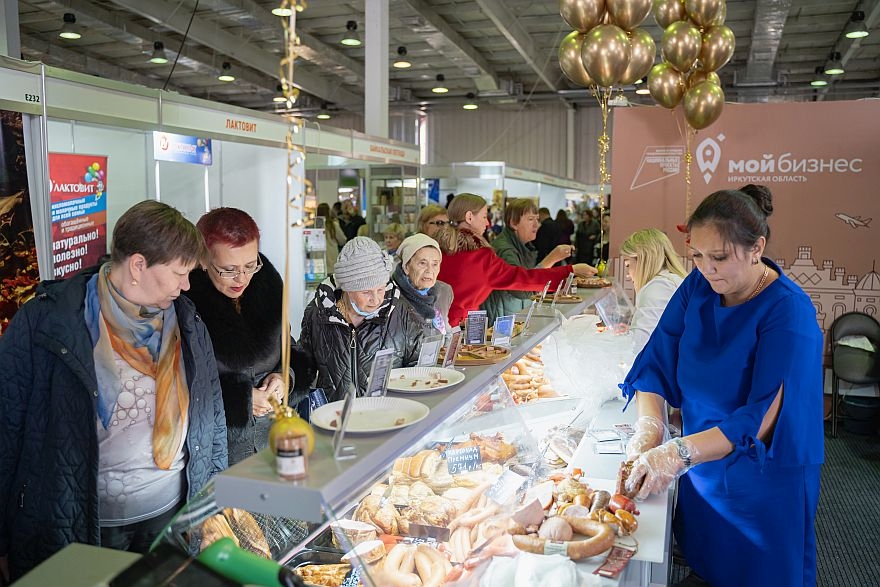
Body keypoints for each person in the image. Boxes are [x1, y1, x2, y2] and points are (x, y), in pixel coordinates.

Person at [0, 200, 228, 582]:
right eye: (178, 273)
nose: (186, 285)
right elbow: (6, 427)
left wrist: (209, 508)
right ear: (138, 265)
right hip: (76, 524)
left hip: (168, 516)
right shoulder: (47, 322)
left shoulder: (187, 321)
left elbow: (212, 417)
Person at [619, 187, 823, 587]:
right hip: (701, 463)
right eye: (696, 255)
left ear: (756, 248)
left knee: (759, 572)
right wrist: (649, 431)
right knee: (707, 561)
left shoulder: (788, 311)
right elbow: (656, 362)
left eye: (719, 257)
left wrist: (678, 453)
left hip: (762, 479)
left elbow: (761, 418)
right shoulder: (698, 286)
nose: (707, 268)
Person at [184, 208, 296, 465]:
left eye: (250, 265)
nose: (242, 278)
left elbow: (291, 347)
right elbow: (179, 384)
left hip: (276, 437)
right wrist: (241, 400)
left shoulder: (267, 284)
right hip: (218, 449)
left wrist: (283, 377)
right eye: (228, 269)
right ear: (203, 259)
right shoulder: (184, 302)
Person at [435, 194, 596, 327]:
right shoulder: (481, 256)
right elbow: (523, 280)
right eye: (484, 216)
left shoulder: (437, 247)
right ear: (469, 217)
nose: (488, 222)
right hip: (458, 328)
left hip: (435, 324)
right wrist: (570, 271)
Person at [299, 237, 424, 402]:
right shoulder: (318, 314)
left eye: (380, 289)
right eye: (366, 292)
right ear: (347, 289)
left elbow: (420, 367)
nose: (376, 299)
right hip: (335, 418)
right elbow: (304, 369)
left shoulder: (400, 311)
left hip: (390, 414)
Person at [481, 198, 575, 323]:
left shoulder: (522, 247)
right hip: (501, 325)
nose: (537, 224)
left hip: (512, 319)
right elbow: (521, 289)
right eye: (531, 219)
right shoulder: (505, 250)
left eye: (537, 219)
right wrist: (552, 259)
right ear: (514, 223)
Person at [619, 228, 687, 353]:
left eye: (628, 265)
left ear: (643, 260)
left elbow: (639, 346)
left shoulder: (657, 287)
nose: (628, 275)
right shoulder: (671, 279)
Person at [391, 233, 453, 336]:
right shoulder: (393, 297)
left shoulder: (444, 291)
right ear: (406, 267)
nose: (429, 270)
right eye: (422, 263)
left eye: (435, 264)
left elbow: (446, 330)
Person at [316, 202, 347, 274]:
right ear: (328, 212)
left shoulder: (314, 226)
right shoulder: (334, 225)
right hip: (331, 262)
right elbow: (343, 240)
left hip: (318, 263)